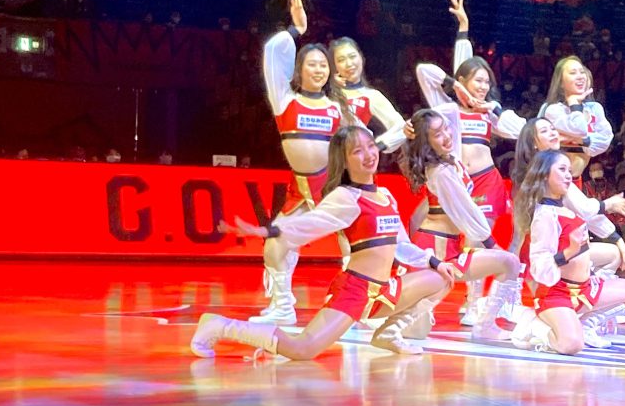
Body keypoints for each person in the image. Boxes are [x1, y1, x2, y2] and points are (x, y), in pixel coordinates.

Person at [190, 125, 448, 361]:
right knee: (302, 349)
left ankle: (389, 334)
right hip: (355, 292)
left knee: (443, 277)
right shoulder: (346, 197)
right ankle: (220, 325)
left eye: (370, 146)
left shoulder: (386, 196)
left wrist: (435, 262)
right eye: (357, 151)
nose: (369, 154)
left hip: (385, 291)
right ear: (343, 161)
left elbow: (401, 245)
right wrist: (266, 230)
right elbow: (310, 223)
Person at [416, 0, 526, 322]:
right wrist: (463, 31)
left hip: (487, 180)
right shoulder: (445, 108)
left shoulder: (490, 113)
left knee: (478, 238)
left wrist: (494, 108)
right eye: (477, 80)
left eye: (487, 82)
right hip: (456, 182)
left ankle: (474, 302)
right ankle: (424, 297)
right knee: (451, 239)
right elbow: (425, 72)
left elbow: (524, 131)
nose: (483, 86)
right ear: (462, 82)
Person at [251, 0, 343, 327]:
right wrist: (296, 30)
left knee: (356, 246)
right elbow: (273, 52)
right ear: (299, 69)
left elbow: (361, 146)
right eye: (312, 64)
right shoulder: (285, 100)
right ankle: (282, 306)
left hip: (333, 190)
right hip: (300, 191)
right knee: (276, 244)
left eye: (323, 65)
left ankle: (364, 305)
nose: (319, 69)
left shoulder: (338, 108)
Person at [403, 105, 522, 336]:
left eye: (446, 129)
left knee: (509, 263)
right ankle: (481, 320)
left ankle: (485, 324)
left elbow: (449, 110)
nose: (447, 135)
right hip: (436, 251)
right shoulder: (441, 171)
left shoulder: (450, 158)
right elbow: (467, 211)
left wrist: (411, 123)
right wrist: (490, 243)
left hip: (449, 246)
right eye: (437, 134)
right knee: (414, 331)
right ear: (426, 142)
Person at [516, 151, 625, 355]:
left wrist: (612, 239)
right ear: (544, 175)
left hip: (584, 288)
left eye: (569, 170)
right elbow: (540, 267)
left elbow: (589, 213)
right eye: (562, 170)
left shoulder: (567, 206)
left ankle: (585, 325)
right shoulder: (544, 216)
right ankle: (534, 325)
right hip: (556, 294)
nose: (568, 175)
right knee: (570, 345)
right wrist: (570, 252)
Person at [541, 55, 613, 180]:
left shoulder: (594, 108)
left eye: (582, 72)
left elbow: (605, 141)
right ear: (561, 82)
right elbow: (579, 129)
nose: (580, 76)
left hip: (577, 179)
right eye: (573, 73)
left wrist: (578, 140)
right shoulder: (553, 110)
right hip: (553, 180)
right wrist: (574, 103)